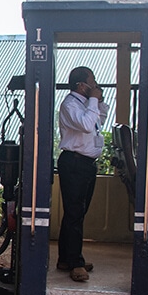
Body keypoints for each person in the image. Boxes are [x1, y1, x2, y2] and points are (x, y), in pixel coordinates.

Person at [57, 66, 109, 282]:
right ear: (81, 85)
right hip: (74, 163)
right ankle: (75, 263)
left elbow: (99, 121)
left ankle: (67, 258)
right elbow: (87, 125)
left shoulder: (86, 105)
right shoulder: (70, 105)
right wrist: (94, 101)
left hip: (86, 164)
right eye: (92, 81)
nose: (94, 85)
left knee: (77, 213)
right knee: (74, 212)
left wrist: (99, 100)